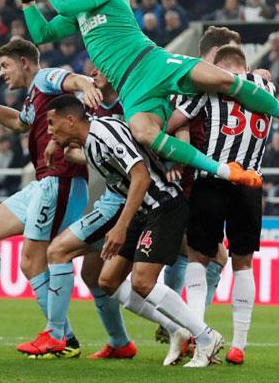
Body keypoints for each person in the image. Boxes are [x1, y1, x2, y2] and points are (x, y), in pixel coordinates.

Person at [17, 0, 279, 190]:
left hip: (153, 61)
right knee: (143, 133)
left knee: (222, 80)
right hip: (130, 86)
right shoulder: (78, 11)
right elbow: (42, 34)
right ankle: (226, 170)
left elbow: (65, 2)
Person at [0, 39, 100, 360]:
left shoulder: (44, 78)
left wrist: (87, 84)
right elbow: (16, 122)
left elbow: (71, 79)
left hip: (60, 180)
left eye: (5, 65)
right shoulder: (33, 99)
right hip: (42, 182)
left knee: (35, 259)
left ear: (24, 62)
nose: (2, 73)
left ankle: (61, 338)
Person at [46, 95, 224, 368]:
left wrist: (120, 226)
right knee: (108, 281)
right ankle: (176, 328)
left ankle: (205, 336)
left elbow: (140, 175)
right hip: (143, 212)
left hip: (163, 205)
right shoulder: (92, 143)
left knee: (143, 281)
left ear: (70, 120)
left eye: (51, 123)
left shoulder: (104, 133)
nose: (49, 130)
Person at [20, 67, 137, 360]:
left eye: (99, 68)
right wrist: (60, 143)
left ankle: (56, 335)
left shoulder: (132, 105)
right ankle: (120, 342)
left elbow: (135, 162)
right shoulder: (94, 109)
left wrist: (75, 153)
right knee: (93, 274)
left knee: (58, 250)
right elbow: (91, 145)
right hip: (115, 197)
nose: (92, 73)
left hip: (126, 201)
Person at [167, 44, 273, 365]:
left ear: (220, 67)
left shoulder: (210, 87)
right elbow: (259, 74)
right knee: (243, 263)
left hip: (212, 178)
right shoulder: (265, 86)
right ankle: (239, 344)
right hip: (251, 184)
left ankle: (199, 335)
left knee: (198, 258)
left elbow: (174, 121)